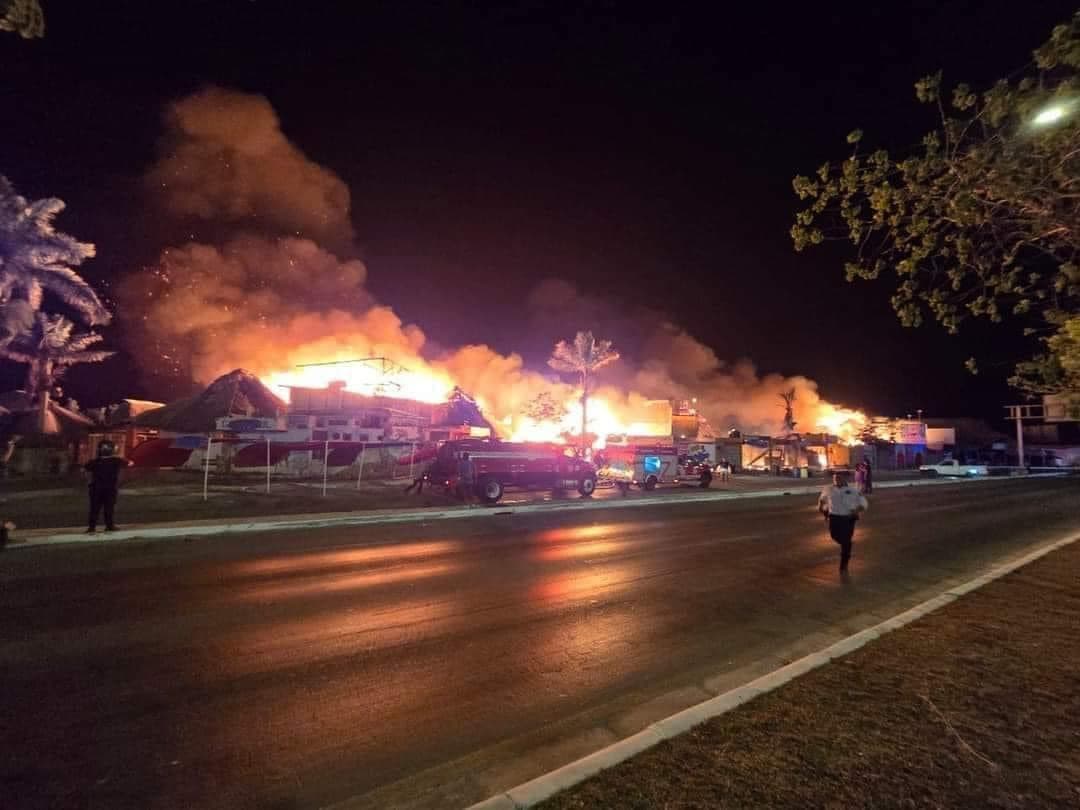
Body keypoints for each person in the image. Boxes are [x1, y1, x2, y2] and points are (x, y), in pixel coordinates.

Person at [817, 468, 868, 574]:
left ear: (845, 478)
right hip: (834, 517)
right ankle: (846, 545)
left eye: (839, 477)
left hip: (848, 518)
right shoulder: (828, 489)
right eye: (835, 478)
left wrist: (857, 510)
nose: (836, 479)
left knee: (846, 541)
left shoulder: (854, 491)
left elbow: (864, 504)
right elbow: (822, 499)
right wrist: (821, 508)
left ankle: (844, 563)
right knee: (834, 535)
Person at [84, 441, 133, 533]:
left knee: (94, 508)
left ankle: (92, 527)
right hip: (110, 488)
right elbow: (130, 463)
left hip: (96, 488)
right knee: (109, 507)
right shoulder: (116, 460)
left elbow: (85, 469)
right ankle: (109, 526)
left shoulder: (94, 462)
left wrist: (89, 482)